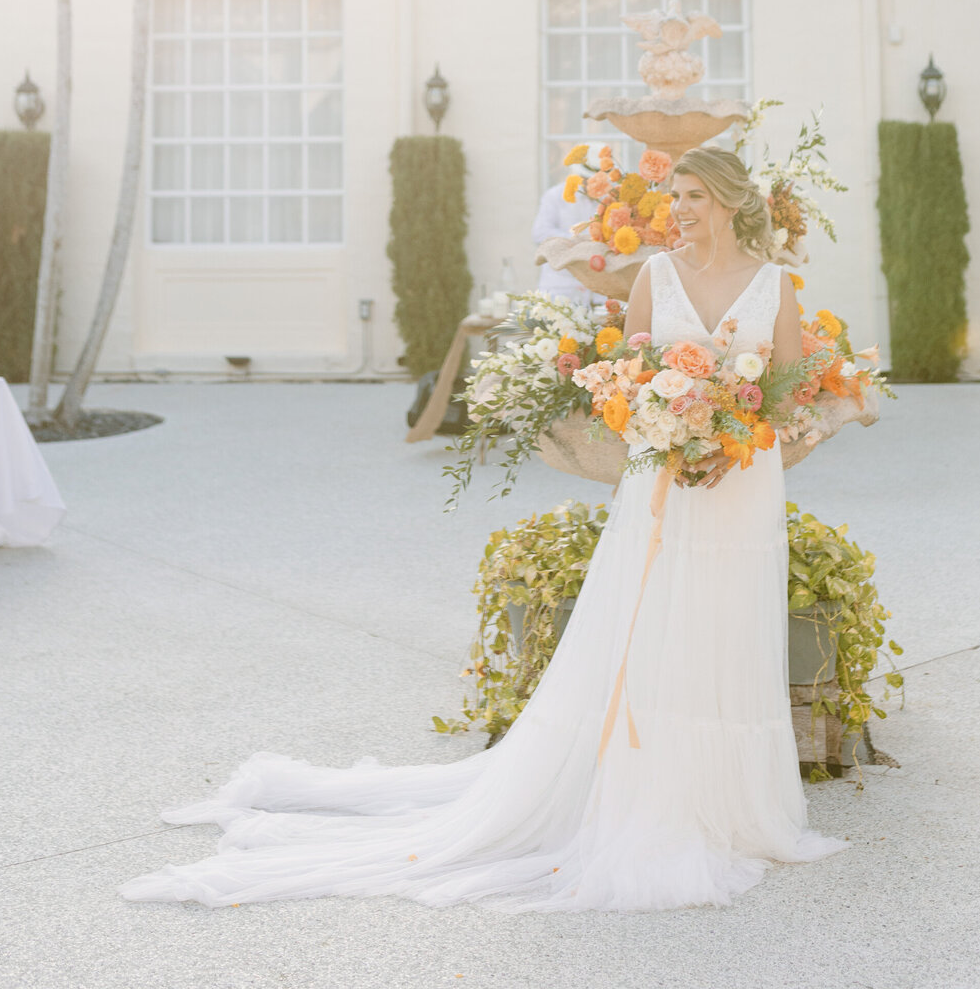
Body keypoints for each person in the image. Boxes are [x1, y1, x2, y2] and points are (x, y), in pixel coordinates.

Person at [121, 145, 844, 913]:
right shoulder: (655, 276)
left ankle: (729, 803)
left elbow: (789, 394)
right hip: (662, 481)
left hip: (738, 485)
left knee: (726, 628)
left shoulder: (774, 287)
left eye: (695, 194)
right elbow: (628, 384)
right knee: (650, 625)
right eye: (677, 195)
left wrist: (727, 420)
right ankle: (647, 788)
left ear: (731, 201)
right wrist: (670, 419)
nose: (682, 209)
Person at [531, 172, 598, 304]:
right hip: (561, 287)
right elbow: (540, 233)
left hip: (598, 290)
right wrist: (579, 242)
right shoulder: (555, 195)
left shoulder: (610, 197)